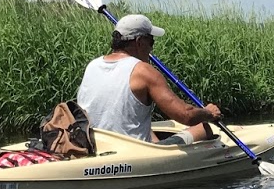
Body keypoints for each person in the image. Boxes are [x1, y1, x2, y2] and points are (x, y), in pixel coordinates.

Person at [75, 14, 221, 144]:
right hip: (133, 153)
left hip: (95, 146)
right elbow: (186, 115)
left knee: (143, 121)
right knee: (202, 127)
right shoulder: (144, 71)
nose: (152, 48)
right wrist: (208, 113)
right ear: (139, 42)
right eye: (151, 41)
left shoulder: (93, 65)